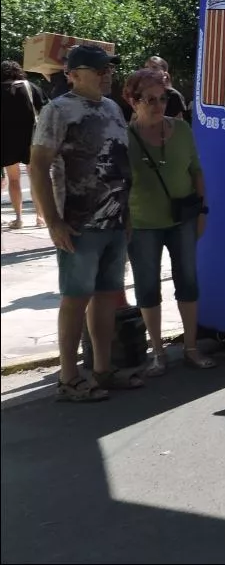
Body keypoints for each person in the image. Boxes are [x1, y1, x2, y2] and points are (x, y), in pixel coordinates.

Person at [29, 44, 141, 401]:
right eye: (99, 69)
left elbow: (120, 163)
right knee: (76, 298)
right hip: (78, 223)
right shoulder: (58, 110)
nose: (108, 74)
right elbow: (38, 166)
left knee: (107, 296)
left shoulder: (112, 108)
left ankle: (102, 370)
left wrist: (127, 214)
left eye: (109, 68)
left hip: (115, 220)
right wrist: (53, 221)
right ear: (74, 75)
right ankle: (68, 377)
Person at [122, 69, 215, 375]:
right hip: (142, 223)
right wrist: (124, 222)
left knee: (187, 281)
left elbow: (196, 172)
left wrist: (202, 212)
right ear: (133, 101)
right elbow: (119, 183)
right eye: (149, 99)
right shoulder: (124, 137)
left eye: (162, 98)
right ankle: (158, 353)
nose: (158, 105)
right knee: (147, 287)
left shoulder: (182, 129)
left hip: (183, 220)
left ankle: (191, 348)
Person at [2, 60, 47, 229]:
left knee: (14, 180)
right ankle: (40, 217)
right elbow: (46, 108)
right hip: (31, 138)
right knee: (35, 178)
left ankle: (19, 218)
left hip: (7, 140)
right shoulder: (31, 87)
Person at [143, 56, 188, 121]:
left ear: (164, 72)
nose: (149, 71)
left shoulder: (173, 95)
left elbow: (179, 124)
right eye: (146, 67)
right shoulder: (141, 94)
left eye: (154, 67)